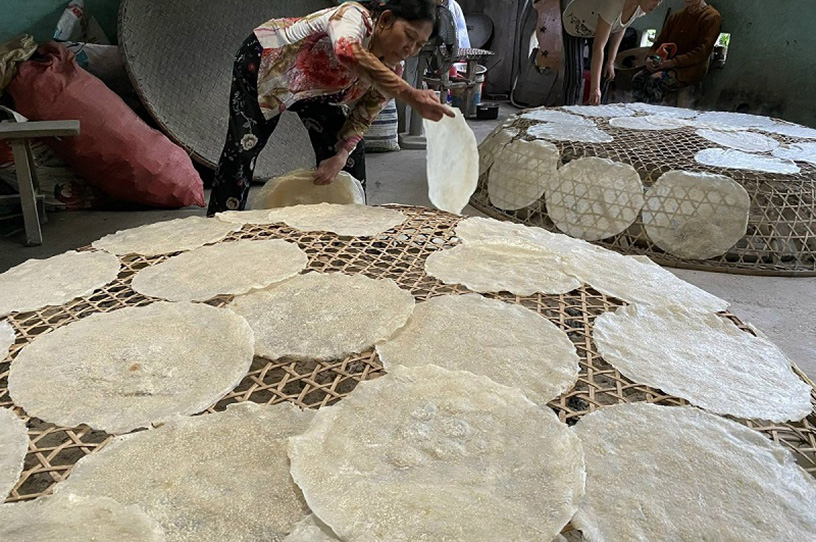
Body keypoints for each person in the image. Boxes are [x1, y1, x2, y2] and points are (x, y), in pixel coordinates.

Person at [207, 0, 453, 216]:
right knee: (242, 150)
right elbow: (347, 51)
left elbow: (363, 116)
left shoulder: (392, 70)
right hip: (268, 65)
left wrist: (341, 155)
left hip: (318, 91)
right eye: (409, 36)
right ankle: (220, 228)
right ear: (386, 19)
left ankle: (352, 228)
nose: (410, 49)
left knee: (348, 157)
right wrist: (409, 93)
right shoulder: (353, 16)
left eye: (419, 45)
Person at [562, 0, 662, 105]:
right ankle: (567, 111)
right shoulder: (614, 3)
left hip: (597, 25)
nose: (657, 4)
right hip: (575, 21)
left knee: (607, 71)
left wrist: (611, 61)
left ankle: (598, 111)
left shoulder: (639, 8)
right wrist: (595, 89)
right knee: (575, 75)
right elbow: (598, 47)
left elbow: (621, 27)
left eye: (660, 1)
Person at [632, 0, 721, 104]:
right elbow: (658, 44)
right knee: (638, 78)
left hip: (690, 69)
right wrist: (650, 58)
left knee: (654, 81)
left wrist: (672, 63)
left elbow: (701, 53)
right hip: (666, 64)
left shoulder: (711, 17)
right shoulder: (676, 16)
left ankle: (653, 116)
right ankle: (637, 112)